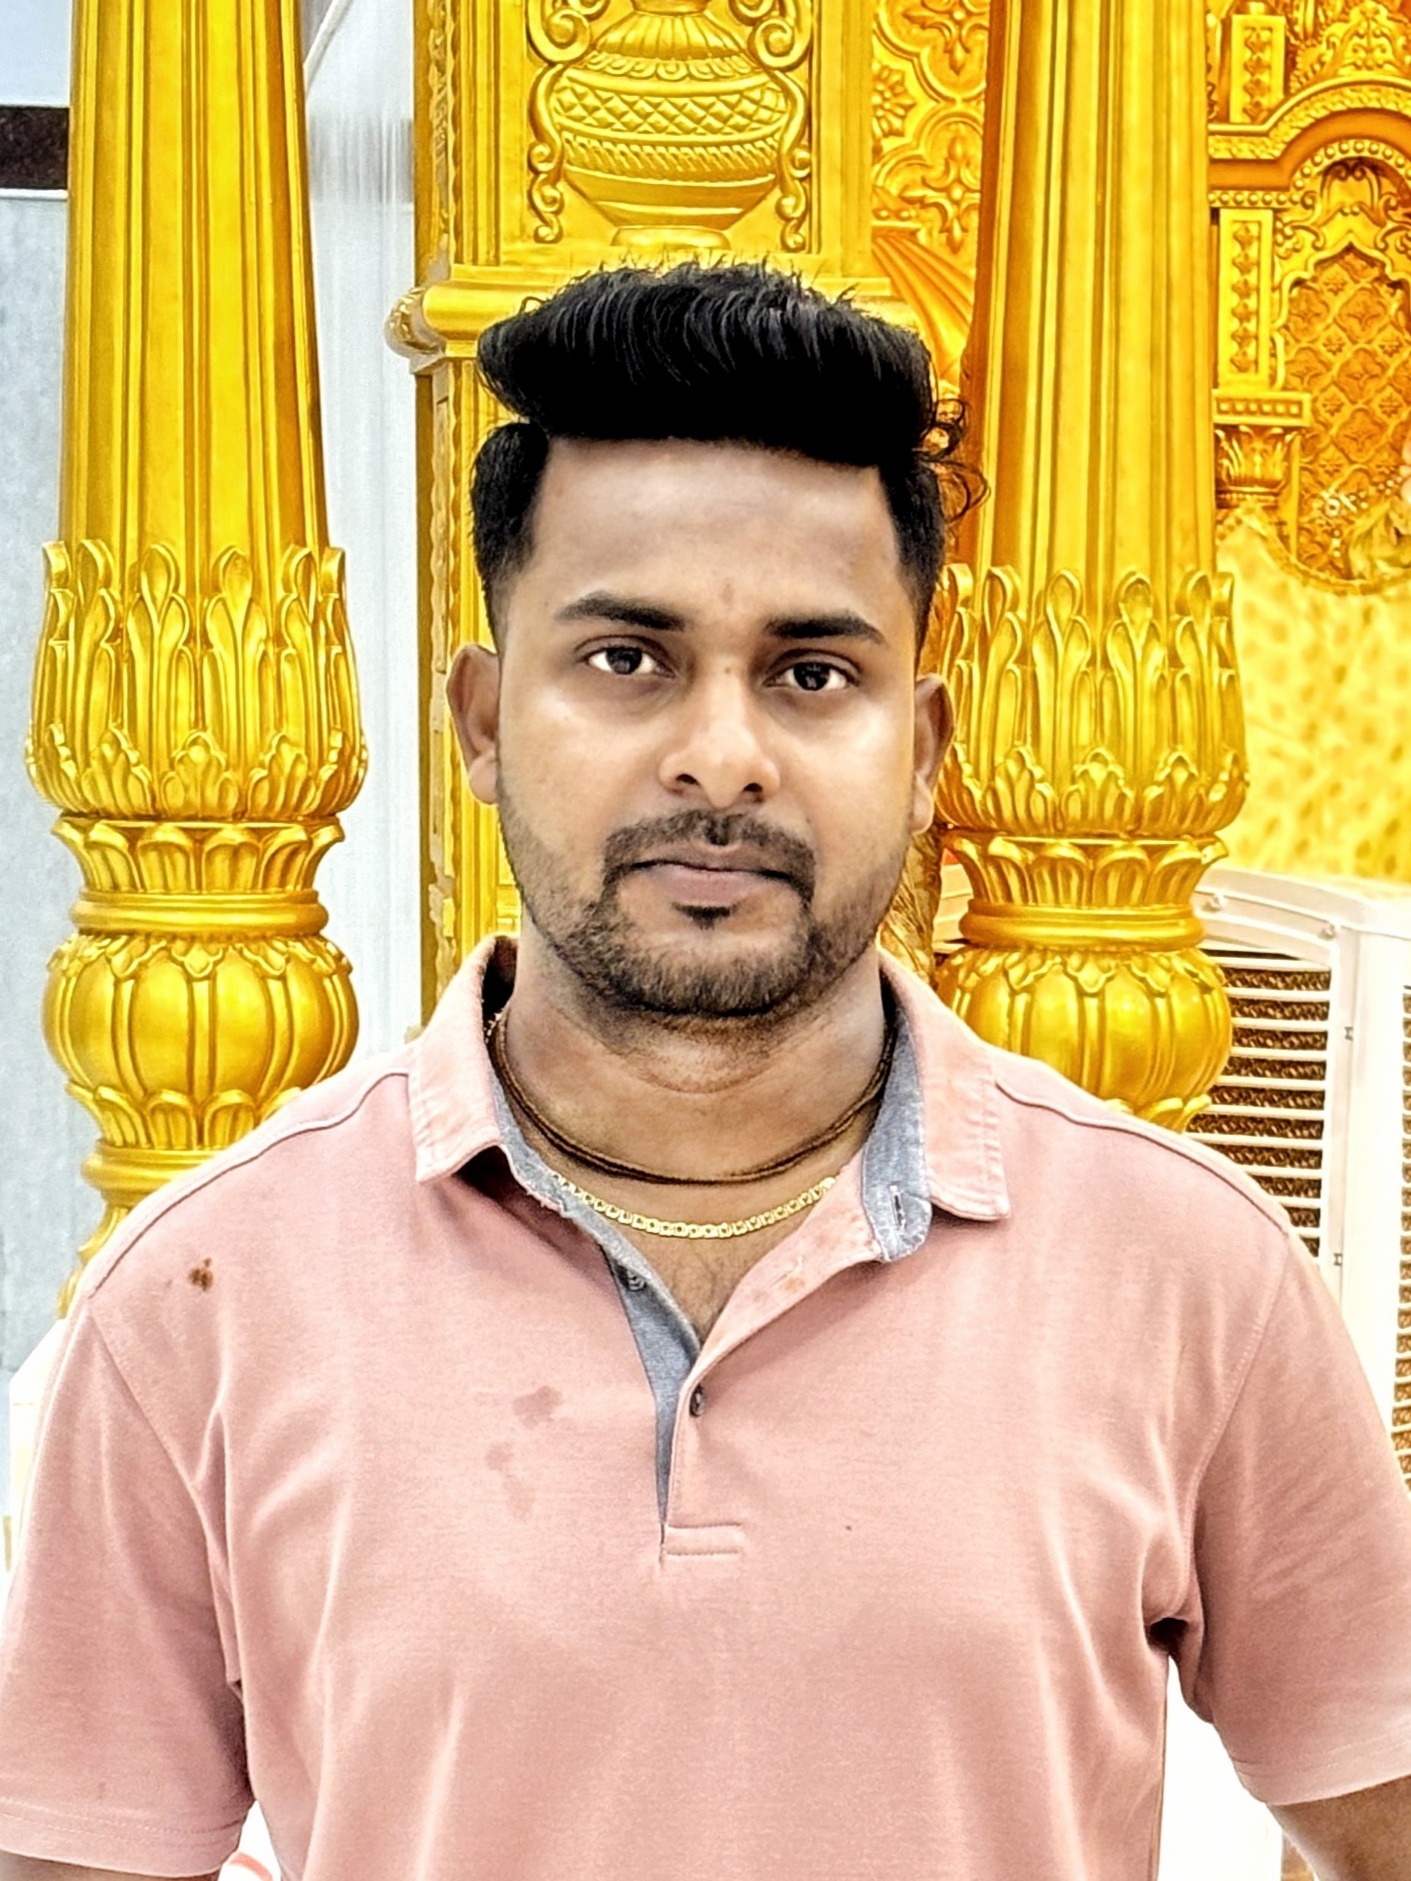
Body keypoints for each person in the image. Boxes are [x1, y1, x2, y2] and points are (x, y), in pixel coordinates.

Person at [0, 263, 1410, 1881]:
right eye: (627, 659)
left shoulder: (1189, 1273)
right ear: (482, 720)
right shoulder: (206, 1295)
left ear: (923, 748)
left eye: (812, 672)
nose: (722, 756)